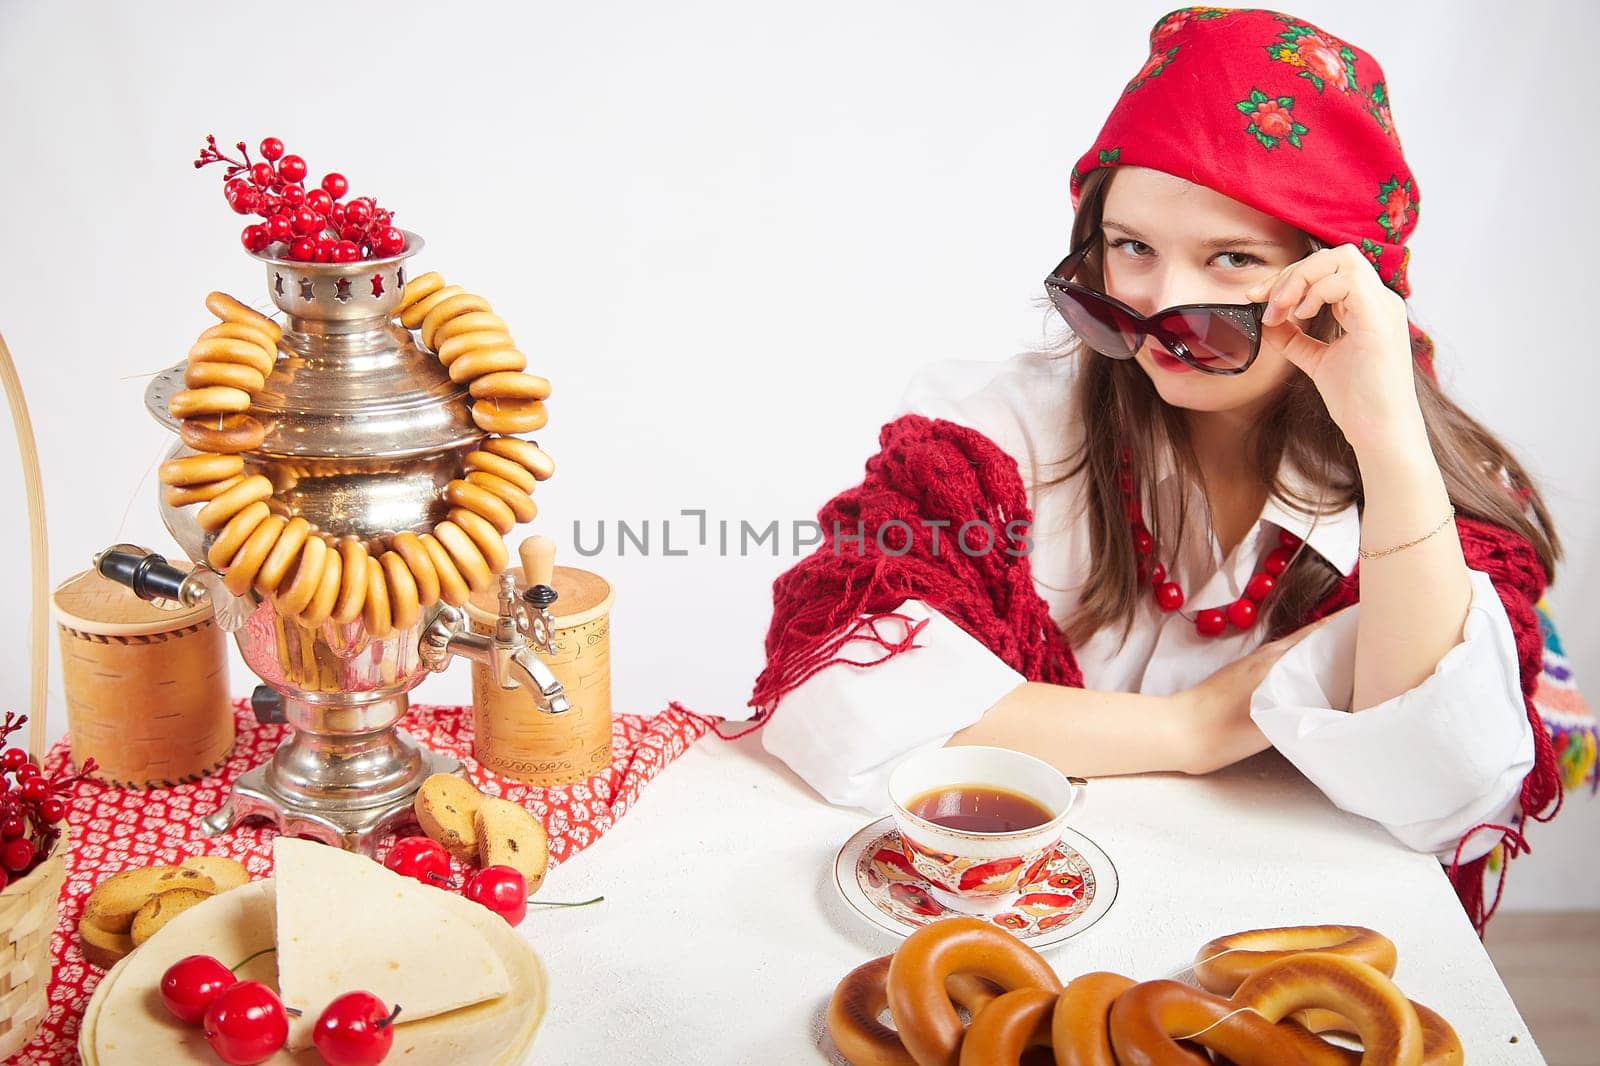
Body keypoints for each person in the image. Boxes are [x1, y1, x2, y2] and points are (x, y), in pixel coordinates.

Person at [746, 6, 1571, 934]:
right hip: (1023, 917)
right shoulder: (999, 435)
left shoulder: (1437, 492)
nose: (1161, 301)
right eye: (1132, 246)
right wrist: (1204, 725)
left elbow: (1445, 785)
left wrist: (1385, 441)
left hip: (1285, 934)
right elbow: (834, 677)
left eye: (1233, 258)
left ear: (1340, 276)